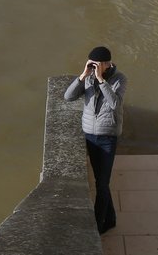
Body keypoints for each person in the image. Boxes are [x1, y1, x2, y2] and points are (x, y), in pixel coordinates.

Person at [64, 46, 127, 234]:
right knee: (102, 182)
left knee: (102, 183)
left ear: (108, 64)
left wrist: (100, 80)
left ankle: (97, 227)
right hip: (90, 136)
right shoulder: (88, 78)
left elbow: (115, 103)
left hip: (108, 137)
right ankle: (111, 219)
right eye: (91, 64)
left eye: (97, 64)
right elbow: (68, 97)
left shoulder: (119, 79)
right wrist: (83, 76)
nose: (94, 68)